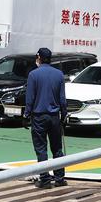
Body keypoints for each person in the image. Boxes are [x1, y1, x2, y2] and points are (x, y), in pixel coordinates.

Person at [24, 47, 66, 188]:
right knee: (57, 148)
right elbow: (62, 99)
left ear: (39, 58)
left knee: (41, 149)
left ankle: (45, 180)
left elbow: (30, 98)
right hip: (54, 116)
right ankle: (60, 178)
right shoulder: (59, 74)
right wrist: (64, 115)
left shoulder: (33, 75)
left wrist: (26, 114)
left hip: (39, 117)